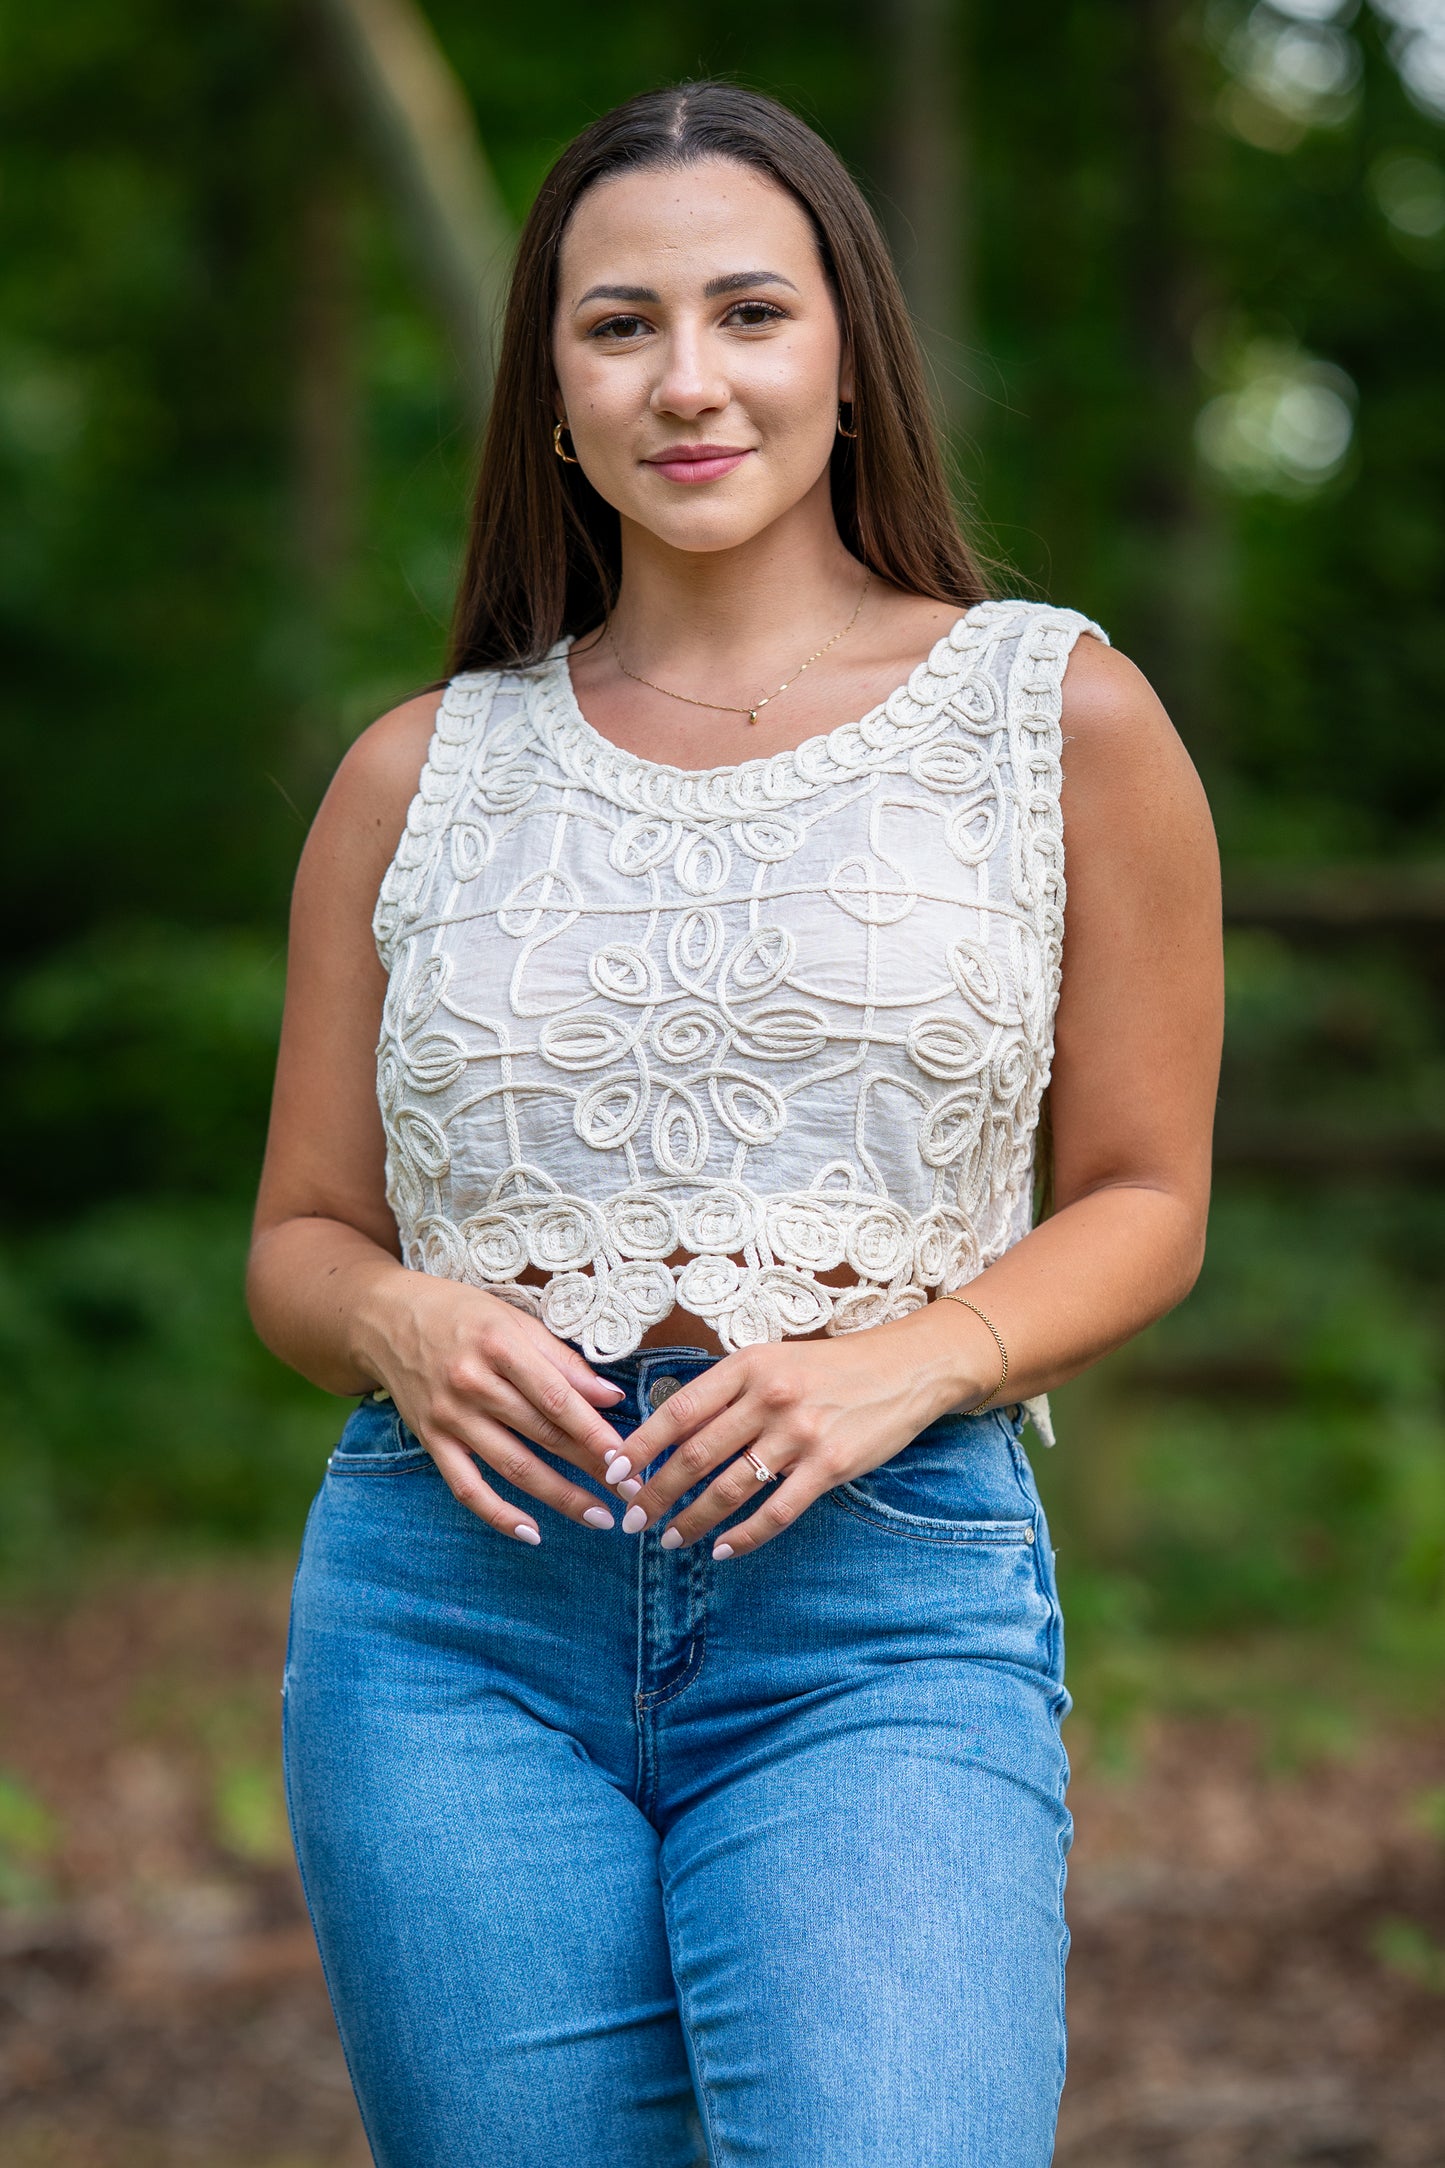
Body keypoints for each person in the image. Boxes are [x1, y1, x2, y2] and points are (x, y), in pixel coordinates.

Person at [247, 78, 1222, 2168]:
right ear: (556, 391)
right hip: (452, 1614)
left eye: (750, 313)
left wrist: (912, 1362)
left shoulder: (1054, 717)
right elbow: (304, 1238)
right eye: (620, 326)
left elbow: (1147, 1194)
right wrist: (403, 1324)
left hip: (878, 1599)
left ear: (848, 355)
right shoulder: (417, 772)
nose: (690, 379)